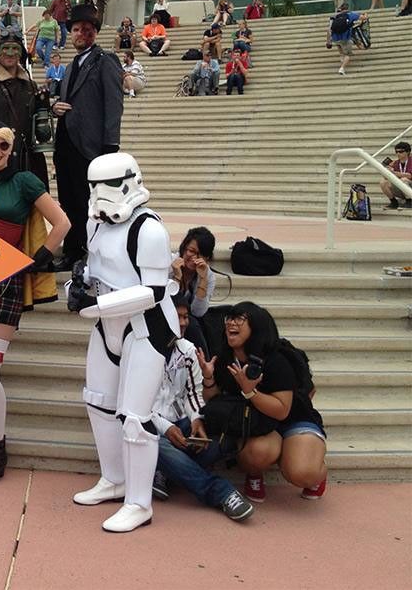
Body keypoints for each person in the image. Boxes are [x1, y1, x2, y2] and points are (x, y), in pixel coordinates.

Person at [0, 117, 69, 486]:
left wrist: (39, 258)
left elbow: (62, 223)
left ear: (12, 149)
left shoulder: (24, 181)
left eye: (3, 145)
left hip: (5, 283)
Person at [69, 152, 178, 532]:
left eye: (109, 185)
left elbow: (153, 290)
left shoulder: (149, 230)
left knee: (135, 418)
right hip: (106, 325)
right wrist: (77, 285)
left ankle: (139, 501)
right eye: (94, 187)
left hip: (146, 328)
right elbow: (96, 270)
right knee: (98, 403)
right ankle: (113, 480)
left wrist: (97, 304)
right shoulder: (94, 225)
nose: (101, 195)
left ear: (131, 181)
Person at [200, 302, 328, 503]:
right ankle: (255, 472)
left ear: (257, 326)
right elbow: (213, 399)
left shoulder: (277, 359)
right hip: (256, 424)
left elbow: (282, 411)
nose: (231, 323)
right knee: (256, 454)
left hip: (293, 419)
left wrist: (249, 391)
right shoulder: (225, 357)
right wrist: (209, 378)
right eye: (230, 318)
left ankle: (316, 471)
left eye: (239, 319)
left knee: (302, 472)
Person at [151, 301, 255, 522]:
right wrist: (167, 428)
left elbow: (193, 392)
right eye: (177, 316)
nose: (183, 322)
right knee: (154, 445)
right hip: (151, 427)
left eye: (186, 317)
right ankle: (222, 492)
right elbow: (134, 405)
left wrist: (197, 419)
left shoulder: (187, 349)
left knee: (222, 442)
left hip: (182, 423)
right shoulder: (140, 350)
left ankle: (166, 471)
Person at [51, 3, 124, 269]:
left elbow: (114, 104)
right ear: (71, 33)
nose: (83, 34)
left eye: (89, 30)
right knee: (69, 200)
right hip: (67, 142)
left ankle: (93, 252)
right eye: (78, 29)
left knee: (89, 202)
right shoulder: (69, 67)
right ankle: (72, 251)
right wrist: (54, 107)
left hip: (92, 145)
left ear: (95, 33)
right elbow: (66, 101)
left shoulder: (106, 61)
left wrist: (110, 145)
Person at [0, 32, 49, 186]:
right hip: (0, 162)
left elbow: (38, 131)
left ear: (21, 53)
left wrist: (43, 106)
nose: (11, 53)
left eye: (15, 48)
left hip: (29, 162)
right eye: (6, 48)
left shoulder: (30, 85)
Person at [171, 226, 216, 318]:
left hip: (190, 319)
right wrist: (177, 277)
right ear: (184, 248)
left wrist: (203, 279)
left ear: (207, 258)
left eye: (201, 255)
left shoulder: (208, 276)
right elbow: (167, 304)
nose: (194, 258)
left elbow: (198, 312)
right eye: (191, 251)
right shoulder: (169, 264)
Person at [325, 2, 368, 76]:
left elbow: (329, 29)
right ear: (348, 8)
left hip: (335, 38)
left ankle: (342, 57)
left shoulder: (335, 16)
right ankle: (342, 68)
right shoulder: (351, 14)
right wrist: (366, 14)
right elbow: (364, 18)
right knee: (347, 55)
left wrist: (328, 40)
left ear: (341, 8)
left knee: (340, 46)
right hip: (344, 38)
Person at [381, 141, 412, 209]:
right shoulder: (395, 163)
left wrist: (394, 173)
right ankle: (394, 202)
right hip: (402, 188)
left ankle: (409, 201)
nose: (398, 153)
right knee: (383, 182)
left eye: (401, 151)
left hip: (409, 186)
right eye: (396, 152)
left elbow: (409, 176)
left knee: (403, 180)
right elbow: (386, 178)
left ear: (407, 152)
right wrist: (387, 171)